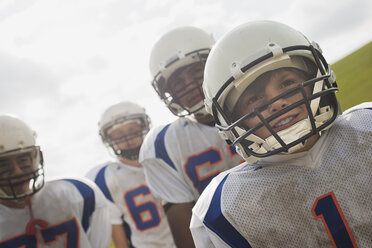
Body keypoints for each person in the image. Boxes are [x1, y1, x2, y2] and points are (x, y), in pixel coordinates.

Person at [190, 20, 372, 247]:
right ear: (235, 120)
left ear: (313, 79)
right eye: (254, 99)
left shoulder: (368, 125)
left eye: (287, 83)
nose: (276, 103)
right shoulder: (224, 208)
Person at [139, 26, 243, 248]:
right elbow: (186, 231)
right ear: (167, 92)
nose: (190, 85)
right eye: (178, 82)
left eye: (197, 72)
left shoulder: (257, 103)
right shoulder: (162, 146)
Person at [0, 115, 111, 247]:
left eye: (23, 159)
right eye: (3, 164)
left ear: (36, 158)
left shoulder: (77, 194)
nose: (17, 171)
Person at [86, 101, 175, 248]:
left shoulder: (166, 155)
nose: (127, 137)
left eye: (132, 129)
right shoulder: (105, 178)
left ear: (143, 127)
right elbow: (117, 231)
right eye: (119, 134)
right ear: (109, 139)